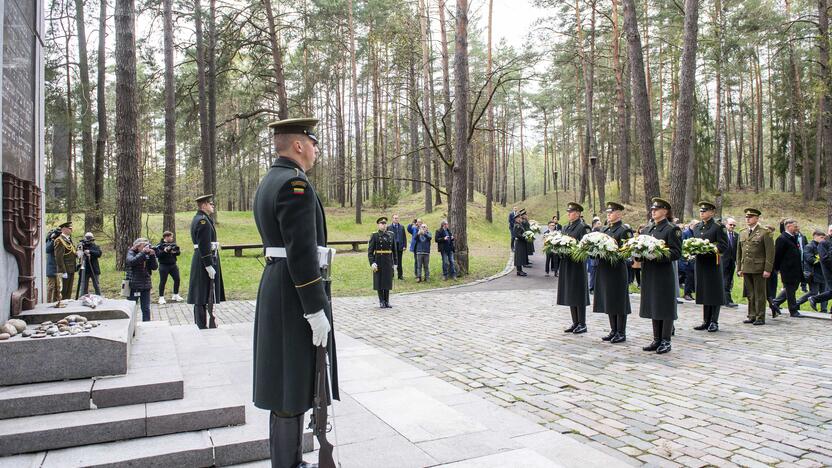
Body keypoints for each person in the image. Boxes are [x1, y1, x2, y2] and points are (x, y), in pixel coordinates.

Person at [252, 118, 338, 468]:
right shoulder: (294, 185)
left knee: (286, 380)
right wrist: (315, 308)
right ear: (299, 145)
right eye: (313, 142)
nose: (316, 149)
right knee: (291, 383)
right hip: (294, 291)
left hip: (280, 285)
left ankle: (287, 462)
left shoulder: (272, 180)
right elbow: (301, 253)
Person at [639, 198, 682, 354]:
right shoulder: (647, 229)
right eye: (652, 209)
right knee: (654, 305)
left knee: (664, 306)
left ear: (665, 211)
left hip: (664, 273)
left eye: (657, 209)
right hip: (650, 272)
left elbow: (676, 252)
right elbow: (640, 247)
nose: (653, 211)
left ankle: (666, 340)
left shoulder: (672, 229)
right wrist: (638, 254)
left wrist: (657, 255)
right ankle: (656, 339)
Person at [594, 202, 633, 343]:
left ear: (619, 213)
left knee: (619, 300)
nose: (609, 214)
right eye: (608, 212)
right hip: (605, 269)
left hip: (617, 270)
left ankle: (621, 332)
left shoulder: (624, 230)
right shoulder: (604, 229)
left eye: (611, 212)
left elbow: (627, 252)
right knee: (609, 299)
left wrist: (613, 253)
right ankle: (613, 330)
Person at [187, 194, 226, 329]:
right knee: (201, 295)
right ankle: (201, 325)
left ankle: (203, 323)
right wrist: (208, 265)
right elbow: (203, 245)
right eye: (210, 204)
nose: (213, 205)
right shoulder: (202, 221)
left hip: (204, 258)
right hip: (203, 260)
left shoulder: (203, 219)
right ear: (203, 205)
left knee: (204, 293)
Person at [690, 202, 729, 332]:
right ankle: (706, 320)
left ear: (712, 212)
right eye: (701, 211)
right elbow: (693, 242)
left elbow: (723, 245)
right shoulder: (696, 227)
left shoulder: (718, 227)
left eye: (705, 211)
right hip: (701, 263)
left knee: (714, 292)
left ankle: (714, 321)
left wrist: (710, 248)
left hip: (713, 263)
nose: (702, 213)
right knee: (704, 291)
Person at [737, 208, 775, 325]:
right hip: (747, 267)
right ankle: (751, 315)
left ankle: (760, 316)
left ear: (757, 218)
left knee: (759, 294)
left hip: (759, 268)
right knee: (750, 294)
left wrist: (767, 269)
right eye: (747, 217)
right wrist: (739, 268)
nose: (748, 219)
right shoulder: (742, 232)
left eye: (751, 217)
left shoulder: (765, 233)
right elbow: (739, 252)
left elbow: (770, 253)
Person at [558, 202, 592, 334]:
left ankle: (582, 323)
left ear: (578, 213)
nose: (568, 214)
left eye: (571, 212)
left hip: (577, 264)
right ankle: (575, 322)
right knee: (571, 293)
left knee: (578, 293)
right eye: (568, 212)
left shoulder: (583, 227)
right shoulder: (566, 227)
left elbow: (585, 247)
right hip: (567, 263)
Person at [770, 219, 805, 318]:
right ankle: (793, 310)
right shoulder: (782, 238)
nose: (797, 228)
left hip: (795, 269)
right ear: (789, 226)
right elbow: (777, 255)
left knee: (792, 288)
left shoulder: (793, 237)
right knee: (790, 289)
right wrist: (776, 269)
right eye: (795, 226)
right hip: (787, 269)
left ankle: (775, 303)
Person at [126, 238, 158, 321]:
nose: (146, 248)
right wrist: (142, 253)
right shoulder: (131, 252)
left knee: (146, 309)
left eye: (147, 246)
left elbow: (154, 267)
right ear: (137, 246)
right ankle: (130, 326)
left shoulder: (147, 254)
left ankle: (147, 325)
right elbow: (131, 262)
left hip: (145, 285)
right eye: (144, 246)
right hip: (134, 286)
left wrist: (152, 256)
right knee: (131, 308)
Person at [796, 230, 827, 312]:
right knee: (813, 292)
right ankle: (797, 303)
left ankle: (824, 309)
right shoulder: (809, 246)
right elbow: (810, 259)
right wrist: (822, 260)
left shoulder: (823, 246)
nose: (823, 239)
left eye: (824, 238)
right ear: (815, 236)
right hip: (813, 273)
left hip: (823, 273)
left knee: (824, 292)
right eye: (821, 237)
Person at [369, 217, 395, 307]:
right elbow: (370, 252)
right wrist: (372, 262)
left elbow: (394, 250)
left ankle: (387, 301)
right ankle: (381, 301)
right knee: (379, 281)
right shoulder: (375, 235)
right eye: (381, 223)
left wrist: (395, 263)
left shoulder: (391, 235)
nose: (383, 225)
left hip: (388, 261)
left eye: (385, 223)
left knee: (387, 281)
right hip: (378, 260)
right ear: (378, 225)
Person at [155, 231, 183, 305]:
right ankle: (161, 297)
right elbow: (158, 255)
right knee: (163, 281)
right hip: (163, 265)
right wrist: (165, 251)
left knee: (177, 279)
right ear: (166, 237)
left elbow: (178, 252)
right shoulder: (159, 245)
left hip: (173, 265)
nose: (172, 238)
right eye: (171, 237)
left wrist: (174, 252)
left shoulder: (173, 244)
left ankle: (176, 294)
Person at [53, 221, 77, 306]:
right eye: (69, 228)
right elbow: (59, 257)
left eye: (71, 228)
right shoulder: (59, 241)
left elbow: (71, 252)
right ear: (63, 229)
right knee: (63, 290)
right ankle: (61, 305)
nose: (71, 230)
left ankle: (68, 306)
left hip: (71, 268)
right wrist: (63, 271)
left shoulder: (68, 239)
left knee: (69, 290)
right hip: (65, 269)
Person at [77, 232, 102, 296]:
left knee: (96, 285)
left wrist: (90, 251)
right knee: (84, 286)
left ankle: (99, 296)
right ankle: (83, 297)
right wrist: (80, 250)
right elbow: (78, 255)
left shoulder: (95, 246)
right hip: (84, 269)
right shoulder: (81, 246)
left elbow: (99, 253)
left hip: (94, 269)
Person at [723, 217, 739, 307]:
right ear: (726, 224)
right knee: (724, 281)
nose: (732, 226)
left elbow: (737, 250)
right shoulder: (722, 234)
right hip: (722, 261)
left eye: (734, 225)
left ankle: (727, 299)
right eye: (730, 224)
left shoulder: (736, 235)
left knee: (729, 281)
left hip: (732, 262)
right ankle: (727, 300)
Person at [680, 220, 697, 301]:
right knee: (688, 277)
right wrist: (685, 257)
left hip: (694, 258)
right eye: (696, 225)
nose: (697, 226)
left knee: (692, 277)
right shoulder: (685, 233)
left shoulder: (696, 233)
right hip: (687, 258)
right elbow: (682, 245)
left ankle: (690, 293)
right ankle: (686, 293)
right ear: (691, 224)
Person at [388, 214, 407, 280]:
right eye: (395, 218)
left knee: (399, 261)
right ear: (392, 219)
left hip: (400, 246)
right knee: (391, 261)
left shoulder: (402, 227)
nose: (396, 219)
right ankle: (391, 275)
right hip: (392, 247)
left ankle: (400, 275)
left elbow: (404, 237)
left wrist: (404, 245)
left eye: (397, 218)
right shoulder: (389, 227)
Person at [45, 228, 61, 304]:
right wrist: (52, 239)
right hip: (51, 267)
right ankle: (48, 302)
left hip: (59, 267)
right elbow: (47, 249)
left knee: (58, 287)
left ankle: (56, 302)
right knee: (51, 287)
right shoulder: (50, 240)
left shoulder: (60, 240)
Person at [513, 209, 529, 276]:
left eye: (520, 217)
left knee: (521, 256)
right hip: (519, 243)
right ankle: (519, 271)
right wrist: (524, 237)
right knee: (519, 257)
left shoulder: (519, 224)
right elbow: (517, 235)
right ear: (516, 219)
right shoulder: (517, 225)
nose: (520, 219)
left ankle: (520, 270)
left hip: (521, 243)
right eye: (519, 218)